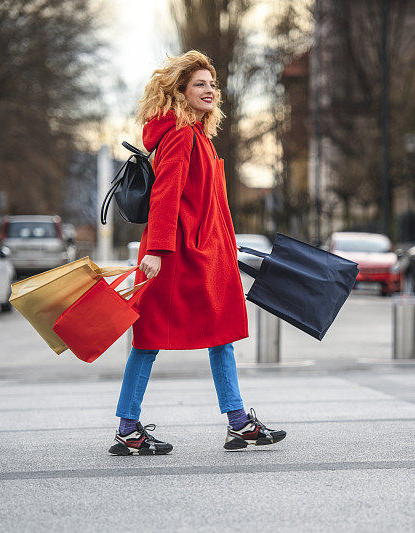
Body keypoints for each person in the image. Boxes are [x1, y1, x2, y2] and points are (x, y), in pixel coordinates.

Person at [110, 50, 286, 456]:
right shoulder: (181, 136)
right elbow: (166, 196)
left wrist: (227, 242)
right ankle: (128, 428)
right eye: (199, 84)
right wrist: (154, 251)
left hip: (204, 254)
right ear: (180, 91)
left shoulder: (199, 136)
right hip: (176, 257)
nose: (209, 90)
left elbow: (205, 203)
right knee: (149, 339)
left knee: (219, 336)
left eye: (212, 84)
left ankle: (238, 423)